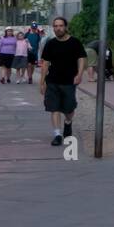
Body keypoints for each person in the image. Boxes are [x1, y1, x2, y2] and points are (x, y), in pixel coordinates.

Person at [39, 16, 87, 146]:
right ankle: (57, 134)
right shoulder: (50, 43)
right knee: (54, 108)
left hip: (69, 81)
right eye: (55, 26)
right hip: (53, 81)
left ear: (65, 27)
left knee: (69, 108)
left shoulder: (75, 42)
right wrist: (42, 82)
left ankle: (68, 123)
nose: (58, 28)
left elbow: (81, 58)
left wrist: (80, 74)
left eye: (60, 26)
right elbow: (45, 63)